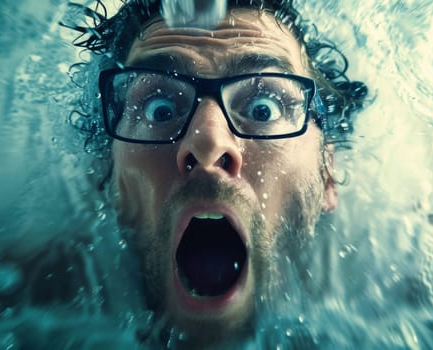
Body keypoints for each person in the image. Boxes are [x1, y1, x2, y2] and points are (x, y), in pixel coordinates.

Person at [61, 0, 368, 347]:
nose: (208, 144)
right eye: (159, 110)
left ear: (328, 172)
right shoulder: (9, 305)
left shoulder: (419, 308)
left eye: (263, 108)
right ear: (106, 173)